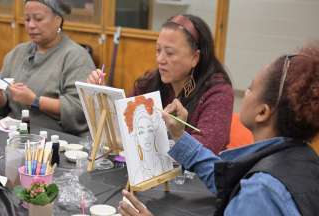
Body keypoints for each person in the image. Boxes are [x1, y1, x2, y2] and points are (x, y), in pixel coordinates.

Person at [119, 43, 319, 215]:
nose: (244, 93)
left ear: (262, 112)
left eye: (250, 88)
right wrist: (180, 135)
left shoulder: (260, 192)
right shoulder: (302, 158)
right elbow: (226, 179)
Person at [88, 14, 233, 154]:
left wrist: (177, 134)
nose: (160, 59)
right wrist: (104, 95)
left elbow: (205, 151)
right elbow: (125, 123)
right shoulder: (152, 81)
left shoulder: (218, 92)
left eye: (169, 53)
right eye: (158, 50)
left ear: (195, 57)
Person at [0, 0, 95, 136]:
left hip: (55, 140)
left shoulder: (76, 57)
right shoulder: (17, 53)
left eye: (38, 19)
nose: (31, 25)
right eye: (27, 19)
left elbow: (80, 109)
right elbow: (2, 108)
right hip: (13, 134)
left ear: (58, 20)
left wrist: (35, 101)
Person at [123, 95, 173, 185]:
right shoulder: (138, 173)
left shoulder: (165, 161)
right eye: (141, 132)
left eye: (150, 130)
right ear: (136, 137)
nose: (146, 136)